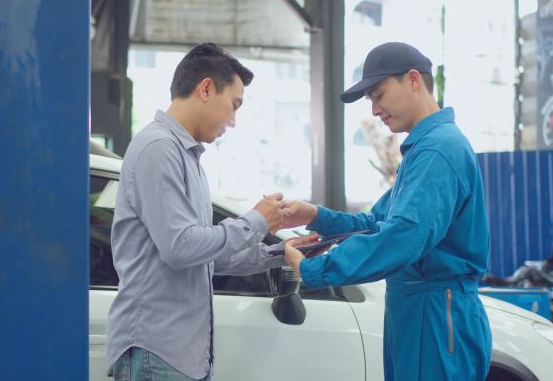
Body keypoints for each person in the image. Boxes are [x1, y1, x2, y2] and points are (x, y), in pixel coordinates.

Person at [282, 42, 492, 381]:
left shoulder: (439, 150)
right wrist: (315, 215)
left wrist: (316, 268)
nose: (376, 110)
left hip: (436, 313)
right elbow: (376, 222)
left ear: (412, 80)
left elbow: (404, 236)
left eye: (379, 95)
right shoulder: (424, 150)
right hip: (417, 309)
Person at [106, 43, 316, 381]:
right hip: (157, 351)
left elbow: (207, 256)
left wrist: (282, 252)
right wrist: (256, 220)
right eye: (233, 106)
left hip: (179, 354)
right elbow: (180, 248)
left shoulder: (185, 155)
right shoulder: (159, 149)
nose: (232, 122)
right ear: (206, 88)